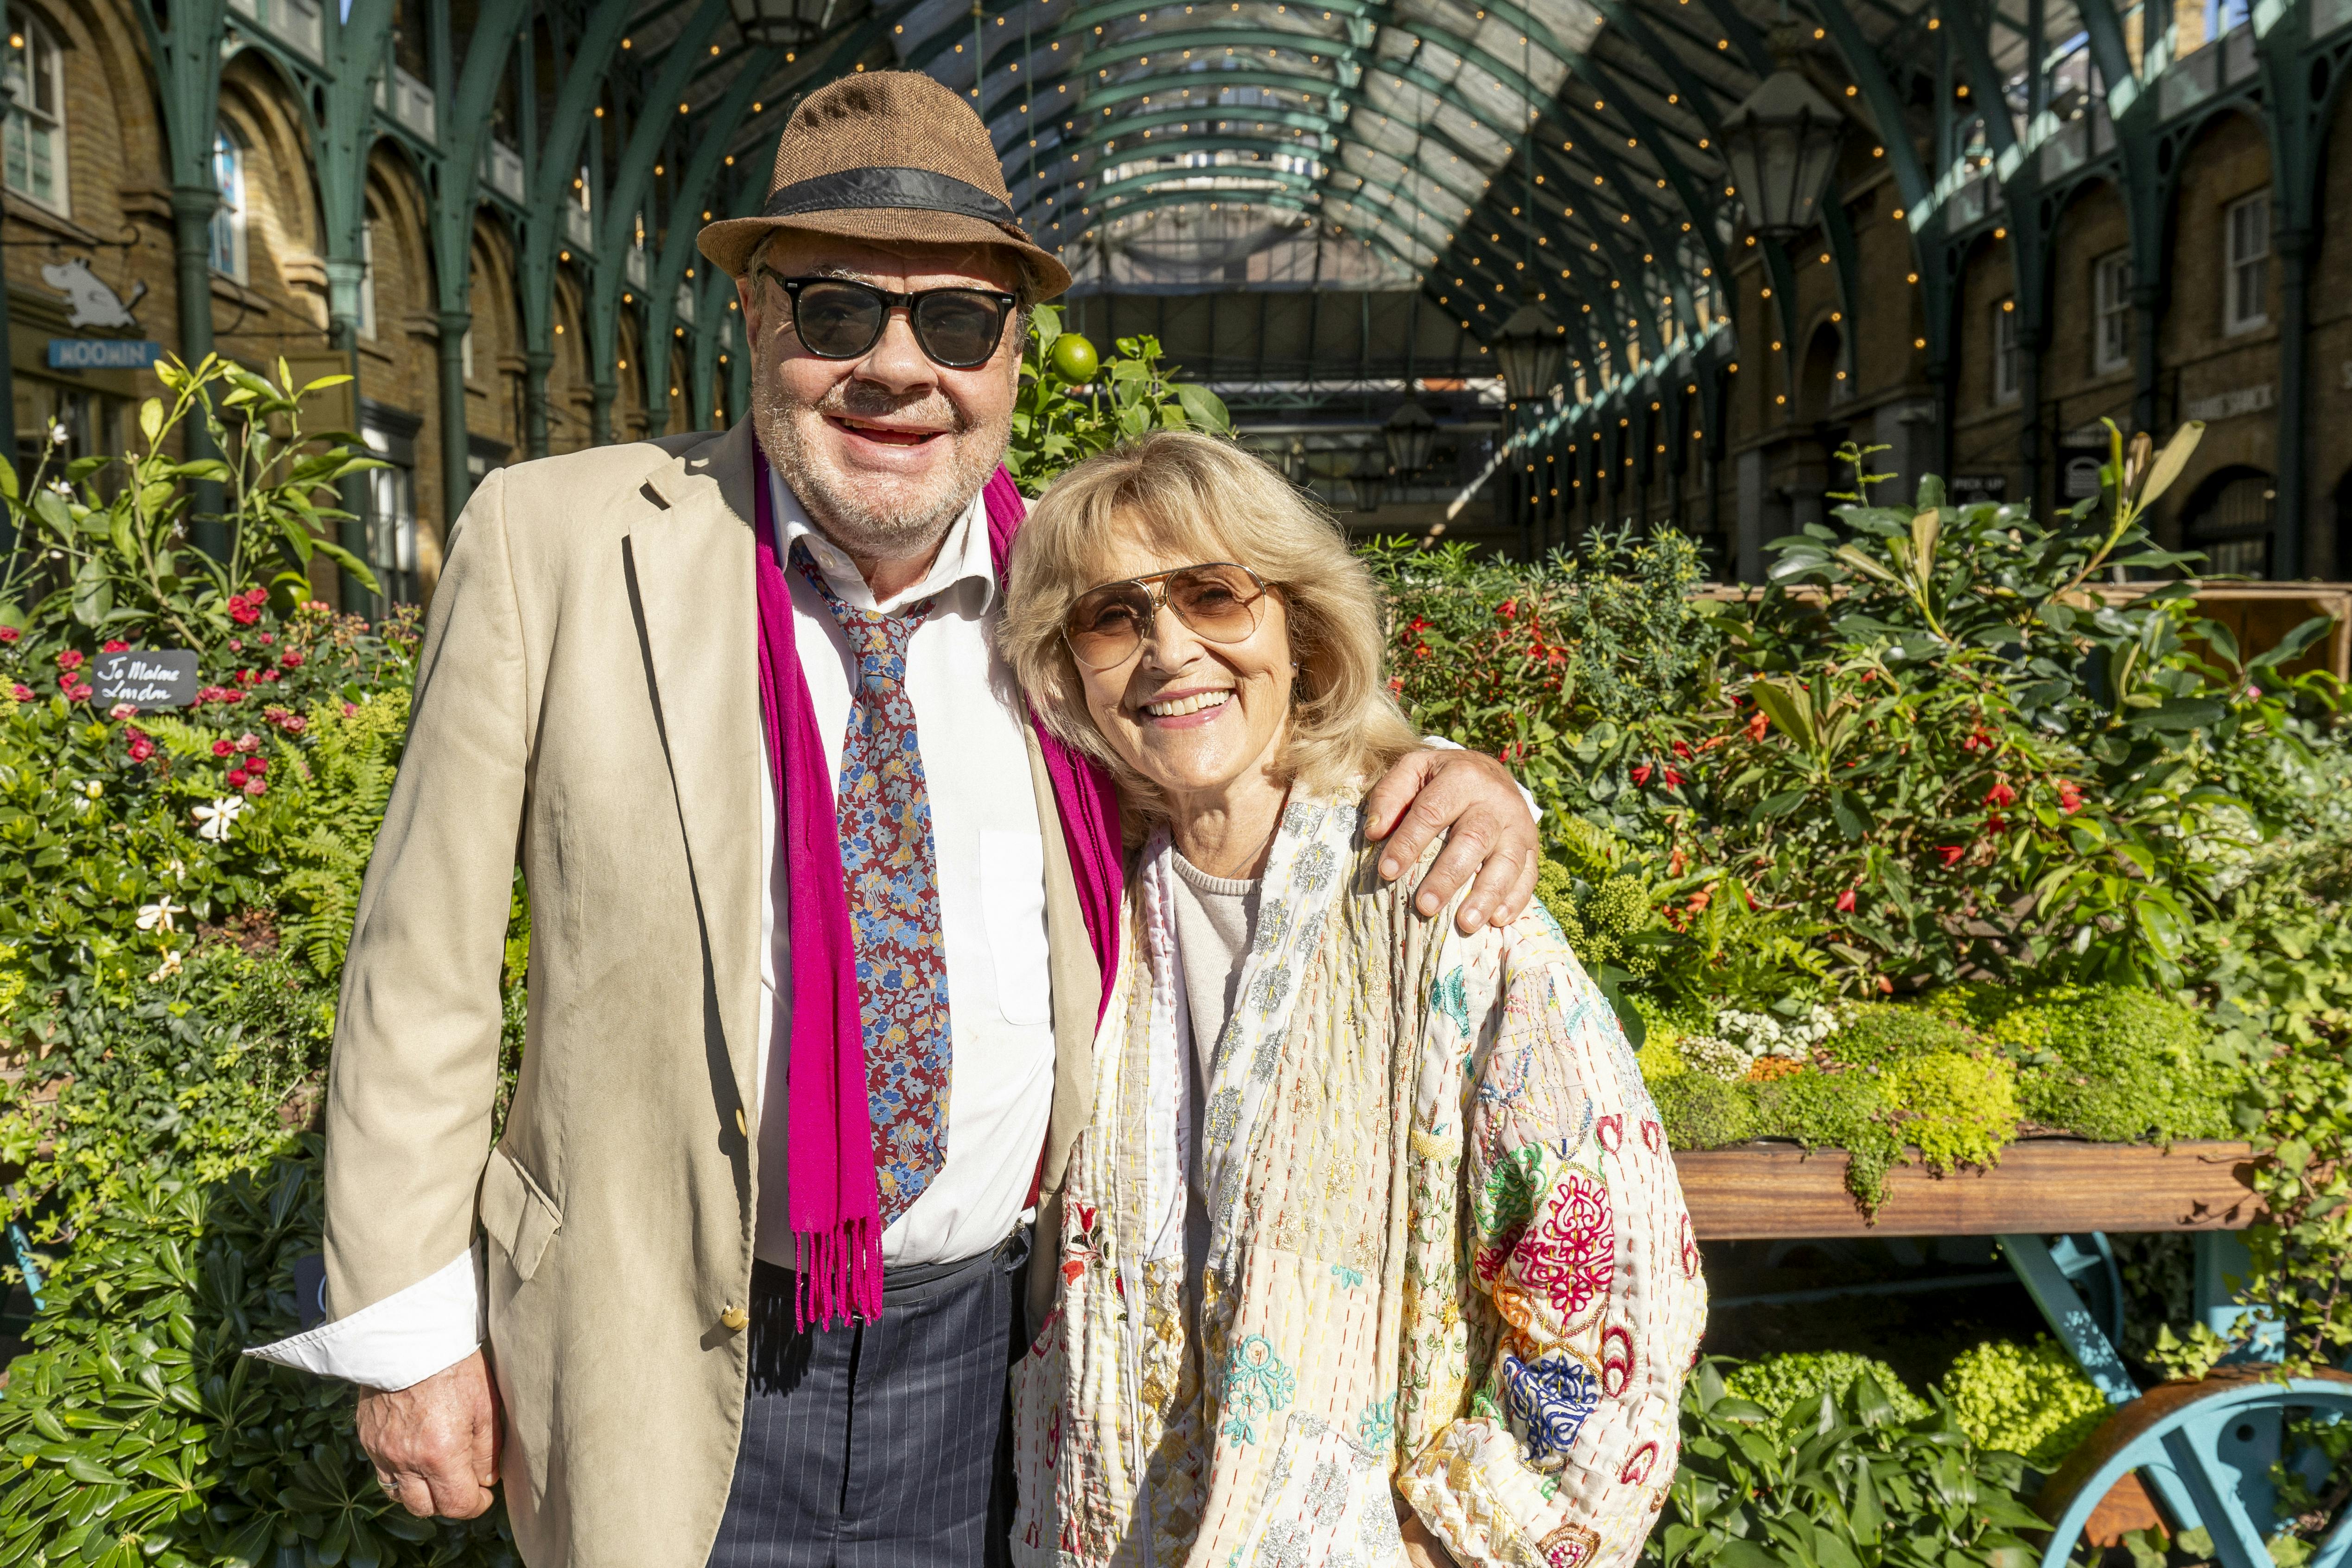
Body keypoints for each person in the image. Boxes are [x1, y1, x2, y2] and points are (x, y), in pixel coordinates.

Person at [245, 73, 1542, 1568]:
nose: (897, 368)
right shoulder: (558, 543)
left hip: (1003, 1357)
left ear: (1008, 356)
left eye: (958, 323)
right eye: (839, 312)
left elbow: (1245, 727)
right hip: (650, 1342)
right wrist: (409, 1335)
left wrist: (1449, 770)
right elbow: (424, 961)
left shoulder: (1072, 592)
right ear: (754, 322)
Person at [994, 430, 1706, 1568]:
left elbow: (1607, 1281)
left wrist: (1465, 1540)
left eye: (1215, 596)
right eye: (1112, 616)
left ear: (1299, 629)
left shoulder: (1436, 896)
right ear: (1066, 664)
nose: (1170, 650)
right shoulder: (1080, 895)